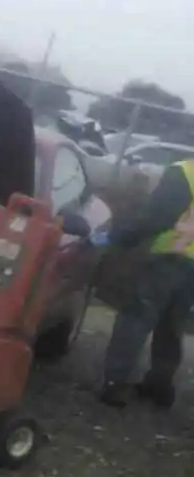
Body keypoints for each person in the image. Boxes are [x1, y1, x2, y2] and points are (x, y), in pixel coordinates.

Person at [100, 154, 194, 408]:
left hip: (169, 258)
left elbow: (156, 217)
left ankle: (115, 384)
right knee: (172, 325)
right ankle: (159, 386)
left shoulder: (184, 173)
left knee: (136, 318)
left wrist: (120, 237)